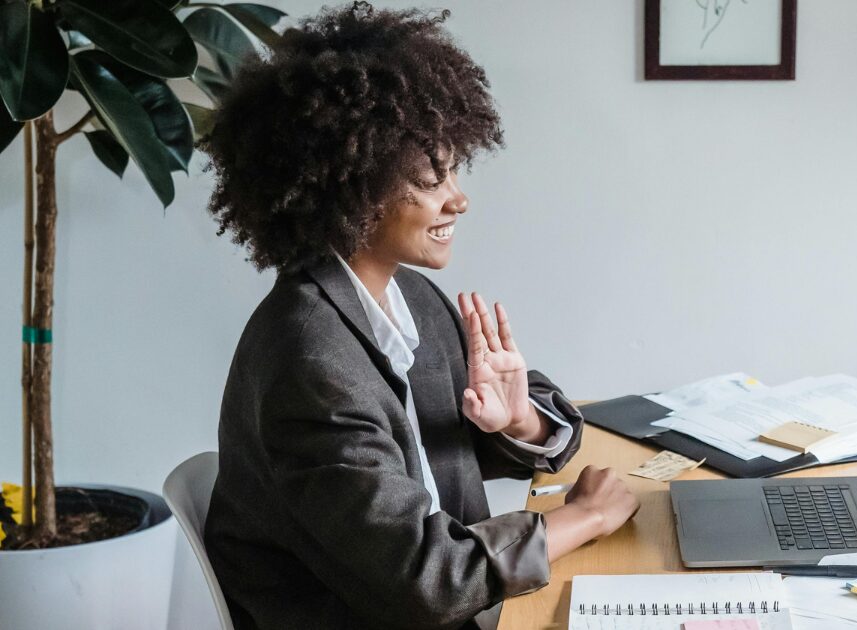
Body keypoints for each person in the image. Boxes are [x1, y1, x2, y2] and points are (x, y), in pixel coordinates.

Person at [201, 4, 639, 629]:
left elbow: (442, 447)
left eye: (453, 168)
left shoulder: (408, 298)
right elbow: (424, 580)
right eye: (429, 179)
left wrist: (520, 421)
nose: (458, 198)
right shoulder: (310, 358)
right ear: (351, 185)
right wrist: (584, 517)